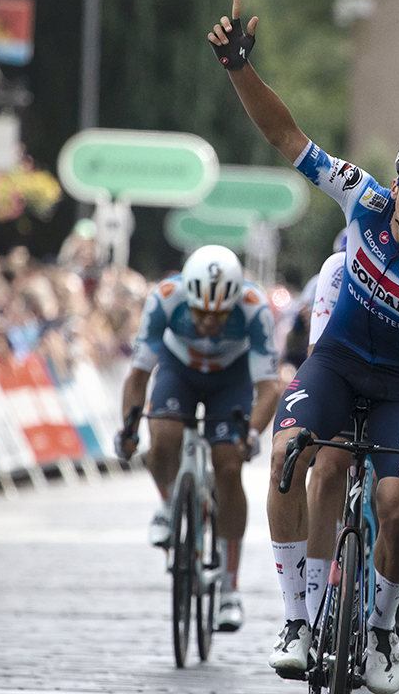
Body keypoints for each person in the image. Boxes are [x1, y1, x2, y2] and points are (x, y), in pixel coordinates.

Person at [209, 0, 399, 694]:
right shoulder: (365, 197)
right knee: (289, 457)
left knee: (396, 506)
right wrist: (238, 68)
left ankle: (382, 629)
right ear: (397, 181)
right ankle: (298, 619)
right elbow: (286, 138)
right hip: (338, 363)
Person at [118, 244, 281, 632]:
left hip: (232, 378)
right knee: (164, 434)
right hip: (180, 370)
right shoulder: (165, 299)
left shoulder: (255, 307)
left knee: (228, 466)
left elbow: (269, 388)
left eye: (219, 314)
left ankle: (229, 589)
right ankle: (166, 502)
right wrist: (127, 429)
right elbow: (138, 375)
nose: (209, 322)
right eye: (201, 312)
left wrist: (252, 434)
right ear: (188, 297)